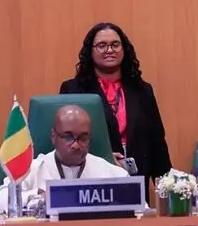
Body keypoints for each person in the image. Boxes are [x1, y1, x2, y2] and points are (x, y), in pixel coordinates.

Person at [59, 22, 172, 180]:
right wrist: (104, 158)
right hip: (92, 178)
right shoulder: (73, 90)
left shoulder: (142, 90)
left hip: (137, 179)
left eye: (115, 45)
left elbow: (157, 141)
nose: (109, 50)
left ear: (124, 49)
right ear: (90, 51)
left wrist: (167, 184)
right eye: (102, 45)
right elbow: (66, 141)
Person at [0, 105, 129, 210]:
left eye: (83, 138)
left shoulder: (108, 171)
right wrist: (37, 196)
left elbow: (134, 198)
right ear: (53, 136)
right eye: (68, 137)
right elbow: (2, 198)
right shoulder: (32, 170)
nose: (76, 145)